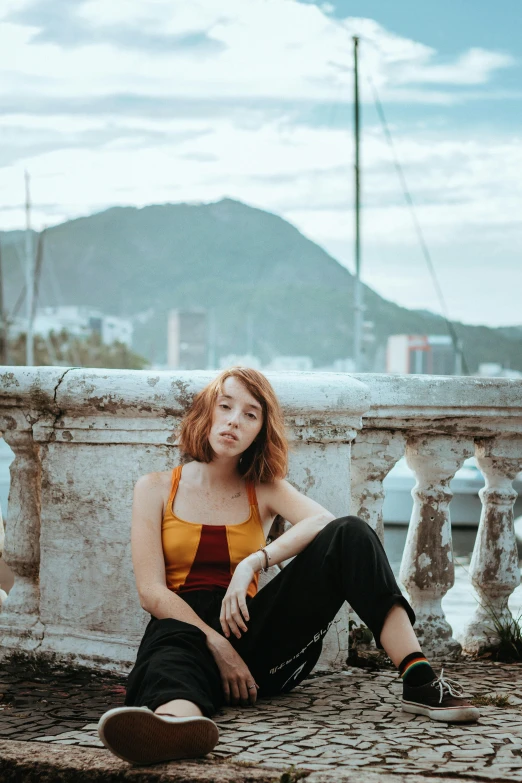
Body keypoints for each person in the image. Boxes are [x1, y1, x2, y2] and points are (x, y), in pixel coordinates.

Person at [97, 367, 479, 766]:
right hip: (184, 628)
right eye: (225, 406)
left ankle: (418, 679)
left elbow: (323, 522)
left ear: (260, 430)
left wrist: (253, 561)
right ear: (205, 413)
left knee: (351, 532)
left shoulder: (263, 487)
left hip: (255, 634)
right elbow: (151, 592)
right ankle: (174, 726)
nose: (233, 421)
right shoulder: (156, 487)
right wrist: (220, 645)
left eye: (250, 414)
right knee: (170, 648)